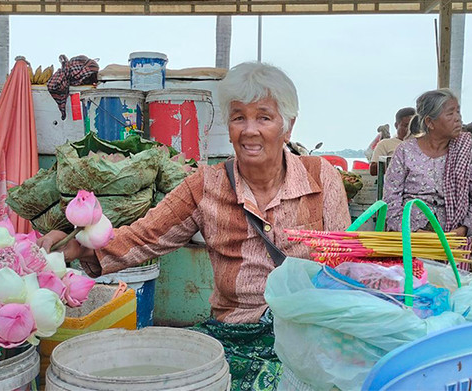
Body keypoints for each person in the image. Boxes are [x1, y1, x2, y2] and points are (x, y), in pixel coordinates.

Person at [38, 61, 351, 390]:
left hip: (307, 337)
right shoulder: (206, 186)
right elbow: (146, 236)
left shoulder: (321, 177)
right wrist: (80, 244)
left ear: (288, 127)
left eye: (264, 117)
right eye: (238, 117)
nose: (249, 130)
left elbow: (346, 271)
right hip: (236, 337)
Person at [382, 88, 472, 315]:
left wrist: (461, 230)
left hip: (458, 235)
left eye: (458, 112)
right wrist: (417, 233)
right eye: (450, 113)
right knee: (392, 268)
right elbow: (391, 203)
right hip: (412, 235)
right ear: (430, 122)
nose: (458, 118)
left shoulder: (467, 149)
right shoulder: (405, 152)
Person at [369, 107, 415, 176]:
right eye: (406, 125)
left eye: (413, 126)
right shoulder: (385, 144)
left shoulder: (423, 145)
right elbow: (373, 170)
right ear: (396, 125)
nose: (409, 130)